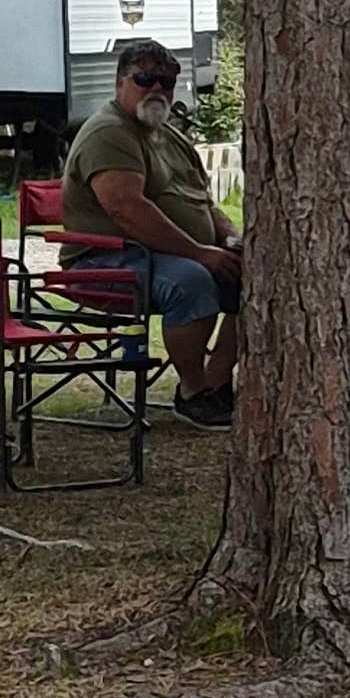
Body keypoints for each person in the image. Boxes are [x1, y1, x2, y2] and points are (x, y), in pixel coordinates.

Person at [58, 38, 242, 428]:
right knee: (192, 280)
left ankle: (217, 380)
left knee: (255, 274)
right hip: (106, 261)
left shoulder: (169, 134)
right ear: (120, 82)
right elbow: (127, 210)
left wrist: (227, 237)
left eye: (167, 82)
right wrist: (200, 253)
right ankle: (192, 392)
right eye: (144, 79)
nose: (157, 89)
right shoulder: (110, 133)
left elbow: (202, 201)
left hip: (168, 255)